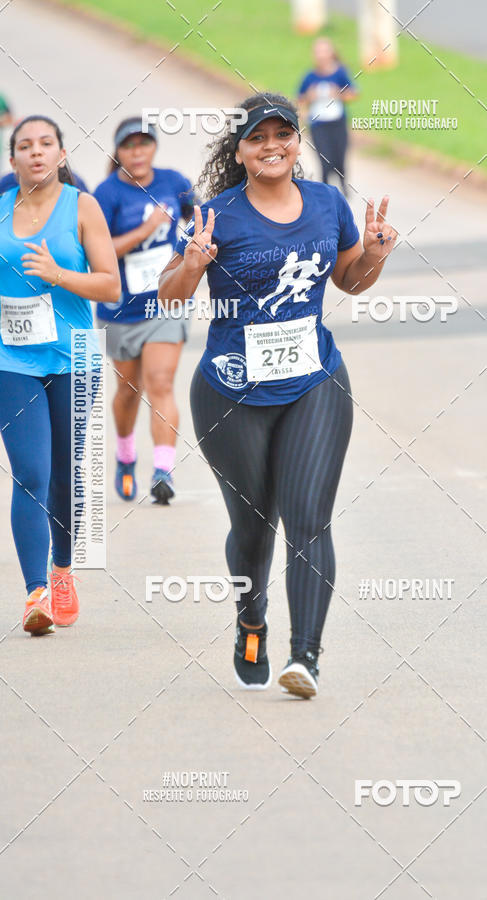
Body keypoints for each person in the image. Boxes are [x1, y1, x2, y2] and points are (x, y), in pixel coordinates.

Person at [158, 93, 397, 698]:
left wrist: (373, 254)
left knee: (309, 520)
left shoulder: (325, 201)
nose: (272, 147)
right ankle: (250, 620)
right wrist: (192, 263)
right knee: (254, 528)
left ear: (297, 142)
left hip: (315, 382)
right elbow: (169, 298)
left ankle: (306, 657)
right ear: (239, 152)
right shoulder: (217, 216)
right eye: (257, 139)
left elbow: (350, 281)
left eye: (282, 135)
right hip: (231, 393)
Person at [0, 115, 120, 635]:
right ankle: (35, 595)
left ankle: (63, 567)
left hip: (73, 357)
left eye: (46, 144)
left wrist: (59, 276)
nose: (36, 153)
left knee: (65, 476)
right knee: (30, 472)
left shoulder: (83, 207)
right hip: (11, 361)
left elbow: (111, 287)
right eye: (24, 146)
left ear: (62, 154)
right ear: (13, 161)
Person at [94, 117, 195, 505]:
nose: (137, 152)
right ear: (118, 152)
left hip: (165, 303)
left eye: (144, 143)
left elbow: (198, 216)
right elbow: (98, 252)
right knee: (128, 390)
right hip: (120, 310)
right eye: (129, 145)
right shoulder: (107, 193)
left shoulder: (173, 181)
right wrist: (146, 229)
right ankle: (125, 455)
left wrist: (187, 245)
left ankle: (162, 471)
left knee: (162, 383)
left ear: (154, 147)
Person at [298, 37, 358, 196]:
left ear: (332, 53)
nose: (321, 56)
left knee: (339, 158)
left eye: (324, 51)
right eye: (318, 52)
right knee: (325, 160)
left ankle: (343, 186)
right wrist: (309, 98)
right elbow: (299, 99)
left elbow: (354, 94)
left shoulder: (340, 73)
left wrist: (337, 93)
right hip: (318, 124)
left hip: (337, 122)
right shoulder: (310, 77)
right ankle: (325, 192)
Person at [0, 168, 89, 194]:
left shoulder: (75, 184)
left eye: (46, 144)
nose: (36, 151)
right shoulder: (6, 184)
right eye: (25, 147)